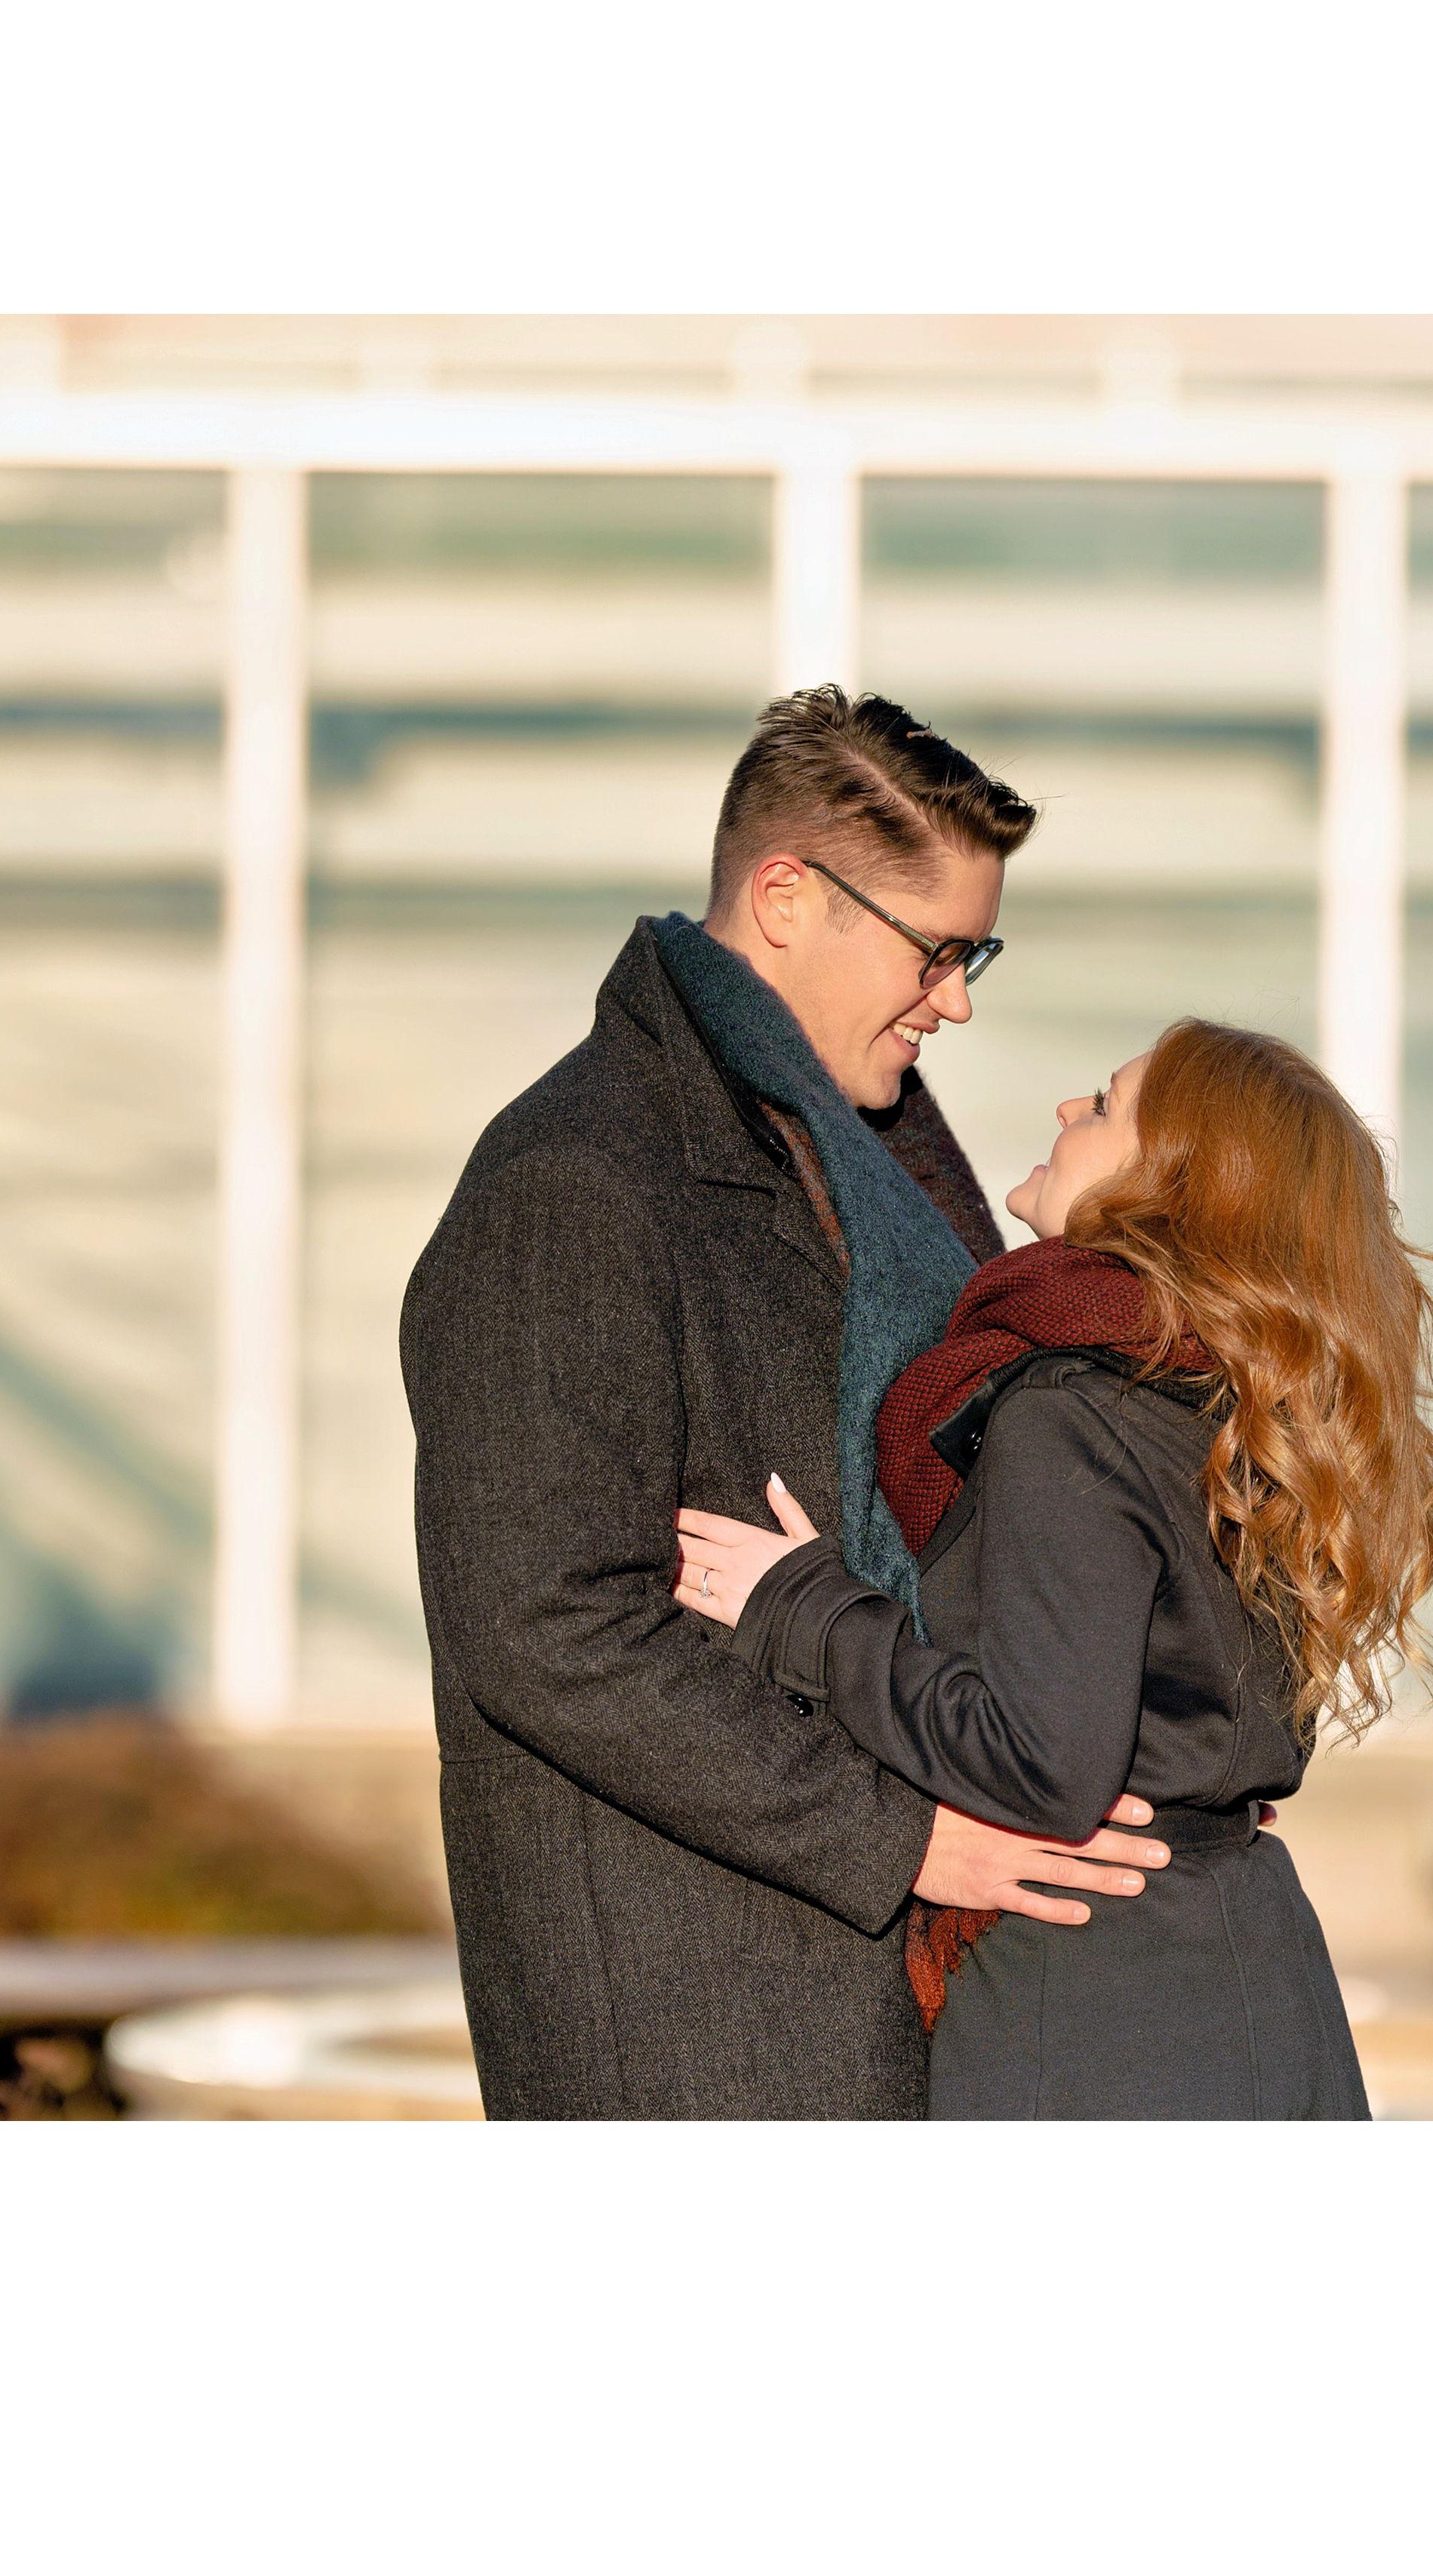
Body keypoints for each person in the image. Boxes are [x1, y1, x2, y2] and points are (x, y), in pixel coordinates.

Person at [401, 687, 1172, 2120]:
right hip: (690, 2010)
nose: (956, 1000)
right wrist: (908, 1838)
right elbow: (545, 1624)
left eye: (975, 956)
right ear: (783, 899)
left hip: (876, 1986)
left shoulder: (866, 1166)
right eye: (936, 952)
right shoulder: (572, 1184)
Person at [675, 1019, 1433, 2119]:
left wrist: (805, 1609)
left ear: (1169, 1186)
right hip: (1249, 1963)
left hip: (1105, 2006)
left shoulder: (1073, 1411)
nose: (1063, 1112)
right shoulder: (1239, 1409)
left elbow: (1041, 1768)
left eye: (1101, 1106)